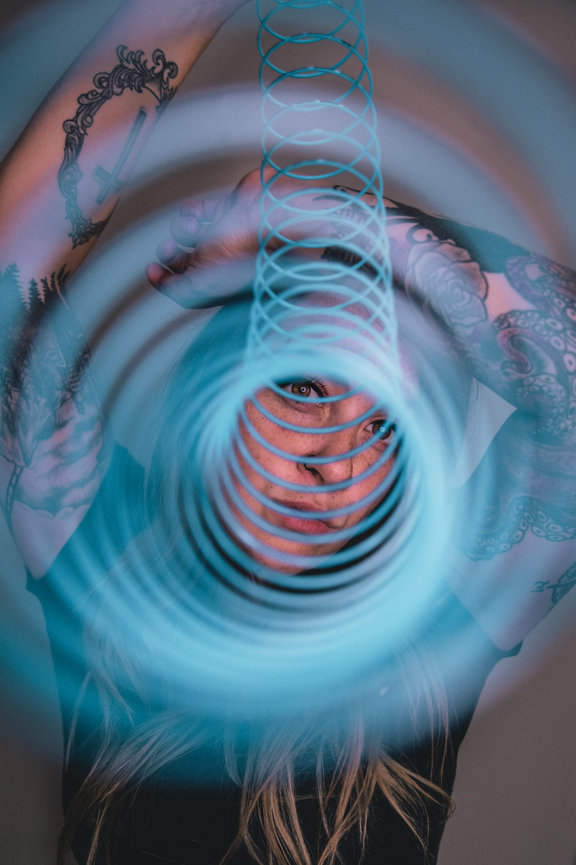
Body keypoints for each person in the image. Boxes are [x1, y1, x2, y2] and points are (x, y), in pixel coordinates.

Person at [0, 2, 575, 864]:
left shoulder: (432, 634)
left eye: (384, 427)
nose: (336, 463)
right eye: (302, 387)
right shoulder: (99, 552)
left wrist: (322, 215)